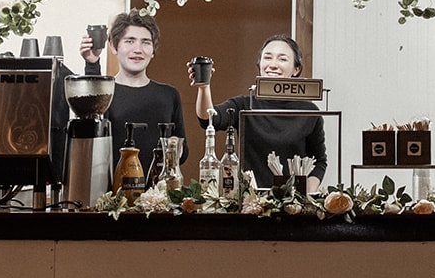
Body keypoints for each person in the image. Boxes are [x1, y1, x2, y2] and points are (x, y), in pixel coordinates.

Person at [189, 35, 326, 191]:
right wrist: (204, 86)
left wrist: (307, 192)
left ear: (296, 69)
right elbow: (209, 118)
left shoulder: (309, 111)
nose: (273, 65)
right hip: (250, 201)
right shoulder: (244, 105)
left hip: (293, 204)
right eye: (267, 58)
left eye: (282, 59)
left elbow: (319, 161)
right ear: (260, 64)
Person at [81, 10, 187, 185]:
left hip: (158, 200)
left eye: (146, 42)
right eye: (129, 41)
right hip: (110, 200)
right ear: (114, 46)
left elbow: (183, 154)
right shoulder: (105, 93)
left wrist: (176, 148)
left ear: (153, 51)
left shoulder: (169, 95)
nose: (138, 50)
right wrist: (92, 63)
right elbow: (89, 131)